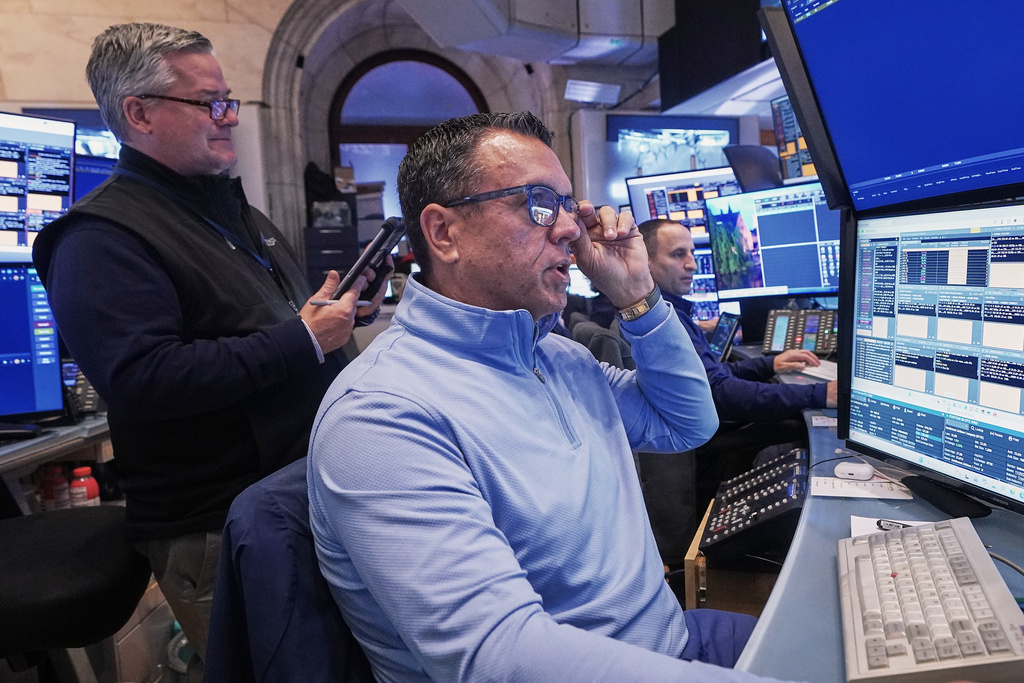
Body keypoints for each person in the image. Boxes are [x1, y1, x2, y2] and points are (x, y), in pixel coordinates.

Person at [308, 112, 793, 682]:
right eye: (538, 203)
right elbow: (499, 657)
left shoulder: (558, 357)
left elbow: (686, 423)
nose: (569, 229)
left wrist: (637, 295)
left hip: (670, 639)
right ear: (443, 233)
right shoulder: (380, 415)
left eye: (567, 205)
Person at [31, 23, 385, 668]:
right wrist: (304, 339)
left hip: (302, 493)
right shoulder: (99, 237)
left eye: (228, 100)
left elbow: (262, 325)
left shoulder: (229, 209)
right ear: (139, 113)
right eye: (209, 103)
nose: (229, 118)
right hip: (220, 526)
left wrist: (332, 313)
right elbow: (144, 378)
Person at [639, 218, 837, 509]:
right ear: (644, 262)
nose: (692, 264)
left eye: (691, 253)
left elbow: (711, 375)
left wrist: (769, 365)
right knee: (796, 427)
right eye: (678, 254)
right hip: (703, 446)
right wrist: (821, 393)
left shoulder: (665, 313)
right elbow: (720, 392)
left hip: (697, 438)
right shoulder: (663, 324)